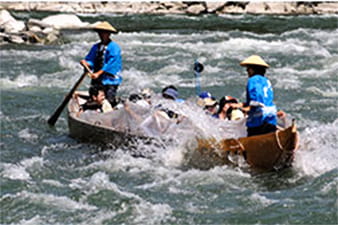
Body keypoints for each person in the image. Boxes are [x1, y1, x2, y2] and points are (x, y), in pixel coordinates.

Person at [230, 55, 278, 136]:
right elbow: (264, 99)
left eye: (248, 69)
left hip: (259, 121)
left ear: (253, 69)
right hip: (271, 118)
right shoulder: (266, 81)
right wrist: (241, 104)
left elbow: (257, 99)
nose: (247, 71)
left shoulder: (253, 80)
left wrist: (247, 108)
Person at [80, 21, 122, 107]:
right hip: (97, 79)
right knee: (95, 98)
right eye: (100, 32)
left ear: (109, 34)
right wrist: (86, 63)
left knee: (109, 101)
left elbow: (111, 63)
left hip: (109, 79)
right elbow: (90, 59)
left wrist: (98, 73)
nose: (101, 34)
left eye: (104, 32)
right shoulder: (96, 47)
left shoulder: (114, 47)